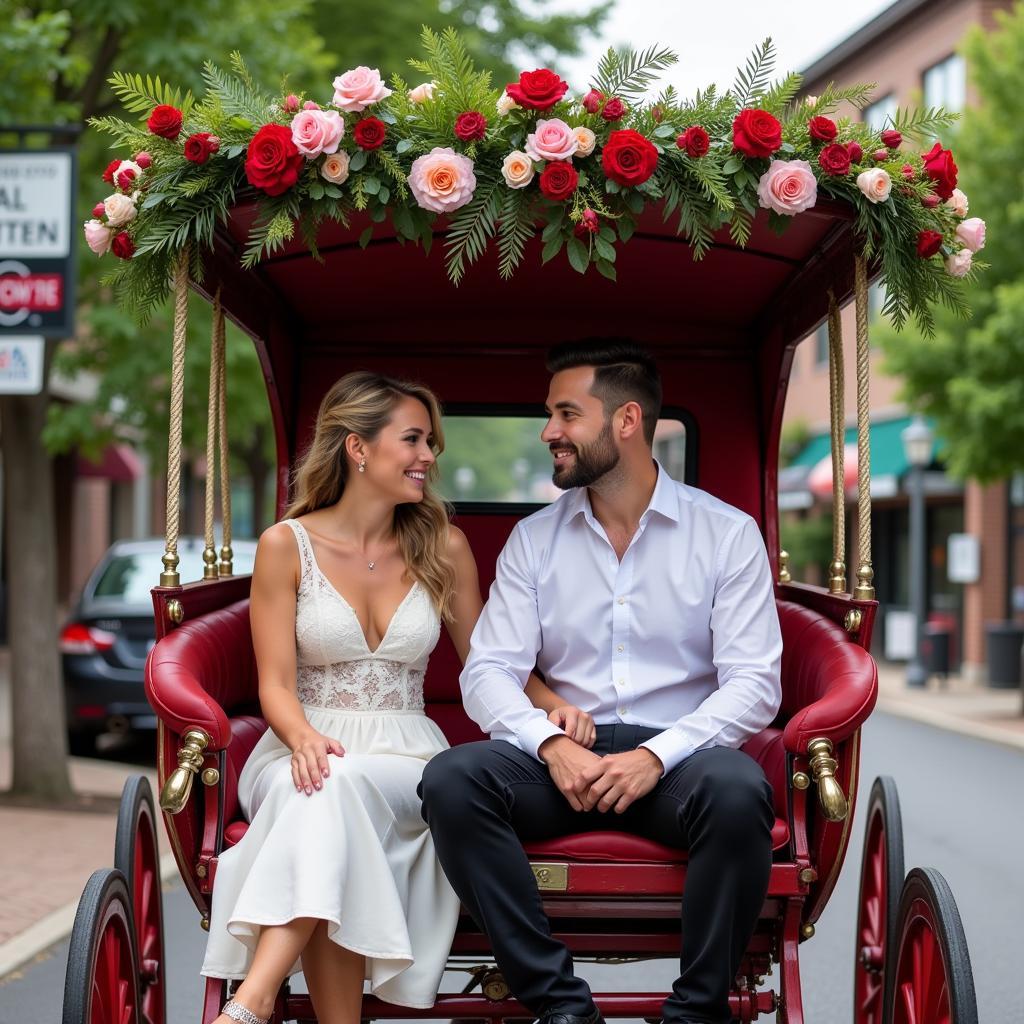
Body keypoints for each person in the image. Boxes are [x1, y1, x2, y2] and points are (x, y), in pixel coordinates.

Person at [201, 371, 595, 1024]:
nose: (429, 457)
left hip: (406, 756)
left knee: (339, 790)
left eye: (431, 442)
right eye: (413, 439)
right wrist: (300, 737)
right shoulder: (284, 546)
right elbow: (273, 681)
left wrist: (550, 704)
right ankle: (261, 999)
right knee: (328, 789)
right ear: (358, 448)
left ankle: (252, 997)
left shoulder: (443, 546)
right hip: (301, 745)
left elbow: (489, 663)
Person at [420, 340, 783, 1024]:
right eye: (550, 415)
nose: (549, 432)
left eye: (566, 414)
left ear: (626, 421)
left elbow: (754, 683)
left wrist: (656, 756)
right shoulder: (535, 539)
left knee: (739, 791)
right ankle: (561, 1006)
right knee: (452, 780)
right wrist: (549, 746)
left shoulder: (726, 535)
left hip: (678, 766)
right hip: (564, 763)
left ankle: (697, 1011)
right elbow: (490, 670)